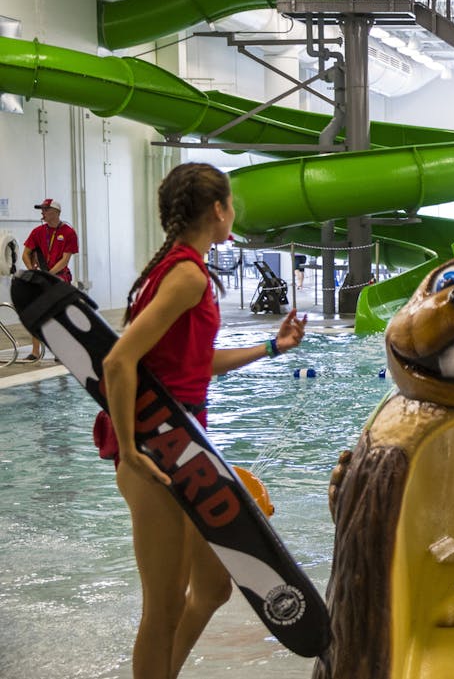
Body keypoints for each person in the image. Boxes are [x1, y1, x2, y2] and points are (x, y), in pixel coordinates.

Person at [98, 162, 307, 678]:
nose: (232, 211)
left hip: (186, 448)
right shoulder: (188, 274)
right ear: (218, 210)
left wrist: (272, 347)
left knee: (211, 587)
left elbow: (191, 364)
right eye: (230, 203)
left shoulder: (178, 266)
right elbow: (118, 361)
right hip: (158, 455)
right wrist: (129, 451)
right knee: (163, 608)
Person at [21, 197, 78, 362]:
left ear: (56, 212)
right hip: (41, 276)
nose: (42, 213)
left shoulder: (69, 233)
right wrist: (32, 270)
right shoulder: (38, 232)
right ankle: (35, 351)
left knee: (58, 315)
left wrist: (49, 274)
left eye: (46, 210)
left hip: (60, 276)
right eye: (42, 210)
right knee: (34, 312)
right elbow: (26, 253)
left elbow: (65, 260)